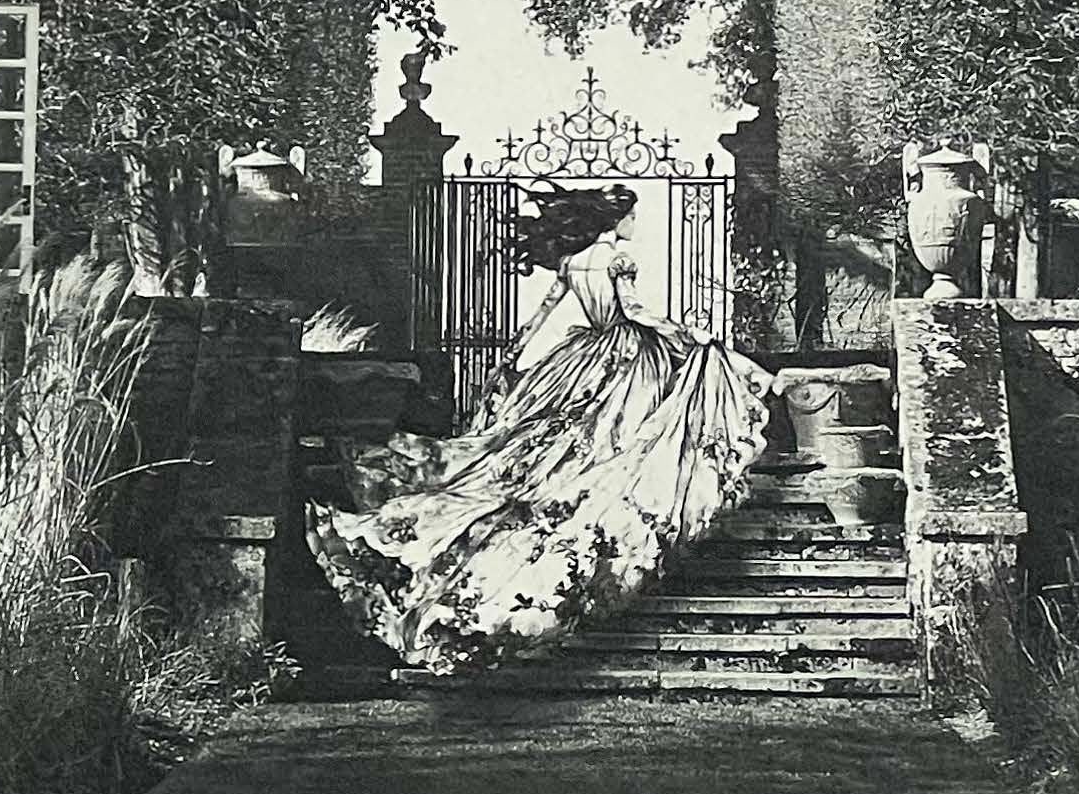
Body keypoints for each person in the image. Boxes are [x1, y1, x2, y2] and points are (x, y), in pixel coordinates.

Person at [309, 183, 771, 673]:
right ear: (617, 219)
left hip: (578, 356)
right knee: (615, 442)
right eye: (632, 217)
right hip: (628, 357)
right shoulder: (615, 258)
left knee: (557, 439)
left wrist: (513, 355)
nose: (636, 225)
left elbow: (544, 311)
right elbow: (633, 312)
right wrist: (689, 335)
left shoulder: (573, 260)